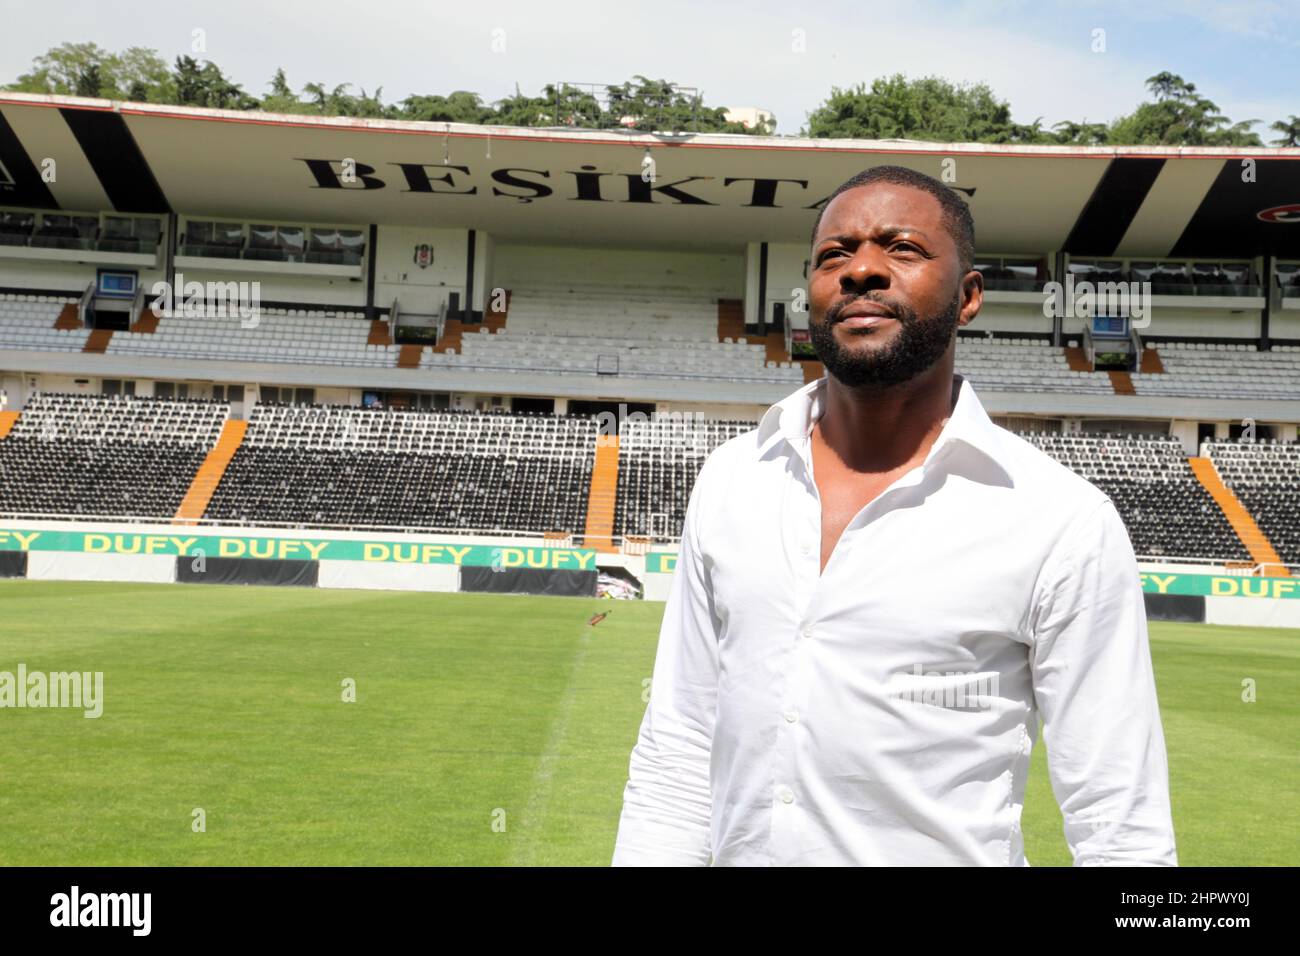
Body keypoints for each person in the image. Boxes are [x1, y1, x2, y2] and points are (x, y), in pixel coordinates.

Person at [611, 165, 1177, 866]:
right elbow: (680, 741)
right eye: (833, 255)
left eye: (902, 248)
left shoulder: (1060, 520)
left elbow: (1118, 817)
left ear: (969, 296)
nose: (862, 272)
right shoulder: (733, 479)